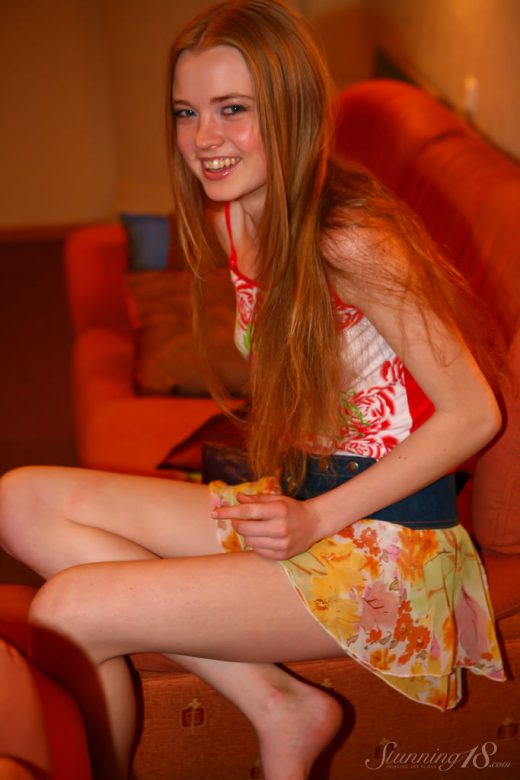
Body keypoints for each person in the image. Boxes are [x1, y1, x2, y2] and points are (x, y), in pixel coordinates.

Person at [0, 1, 506, 778]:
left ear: (291, 110)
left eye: (233, 109)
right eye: (187, 112)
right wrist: (292, 508)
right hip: (297, 498)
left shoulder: (352, 241)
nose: (205, 137)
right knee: (19, 500)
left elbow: (475, 413)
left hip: (386, 544)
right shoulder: (234, 216)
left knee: (69, 610)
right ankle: (277, 704)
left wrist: (315, 519)